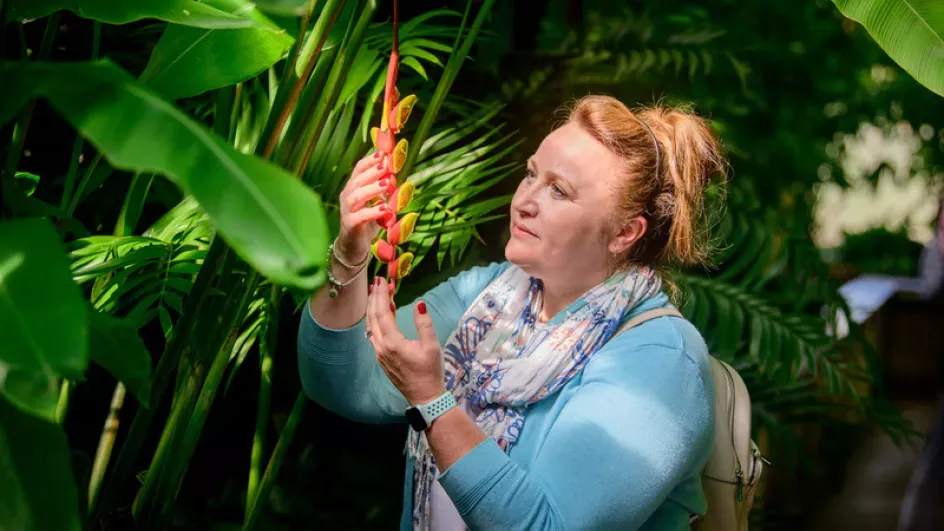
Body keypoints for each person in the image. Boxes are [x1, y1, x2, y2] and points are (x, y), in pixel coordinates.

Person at [297, 95, 725, 530]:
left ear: (624, 233)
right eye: (532, 174)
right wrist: (350, 252)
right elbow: (344, 383)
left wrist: (432, 401)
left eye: (559, 190)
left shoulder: (661, 361)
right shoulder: (488, 298)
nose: (525, 200)